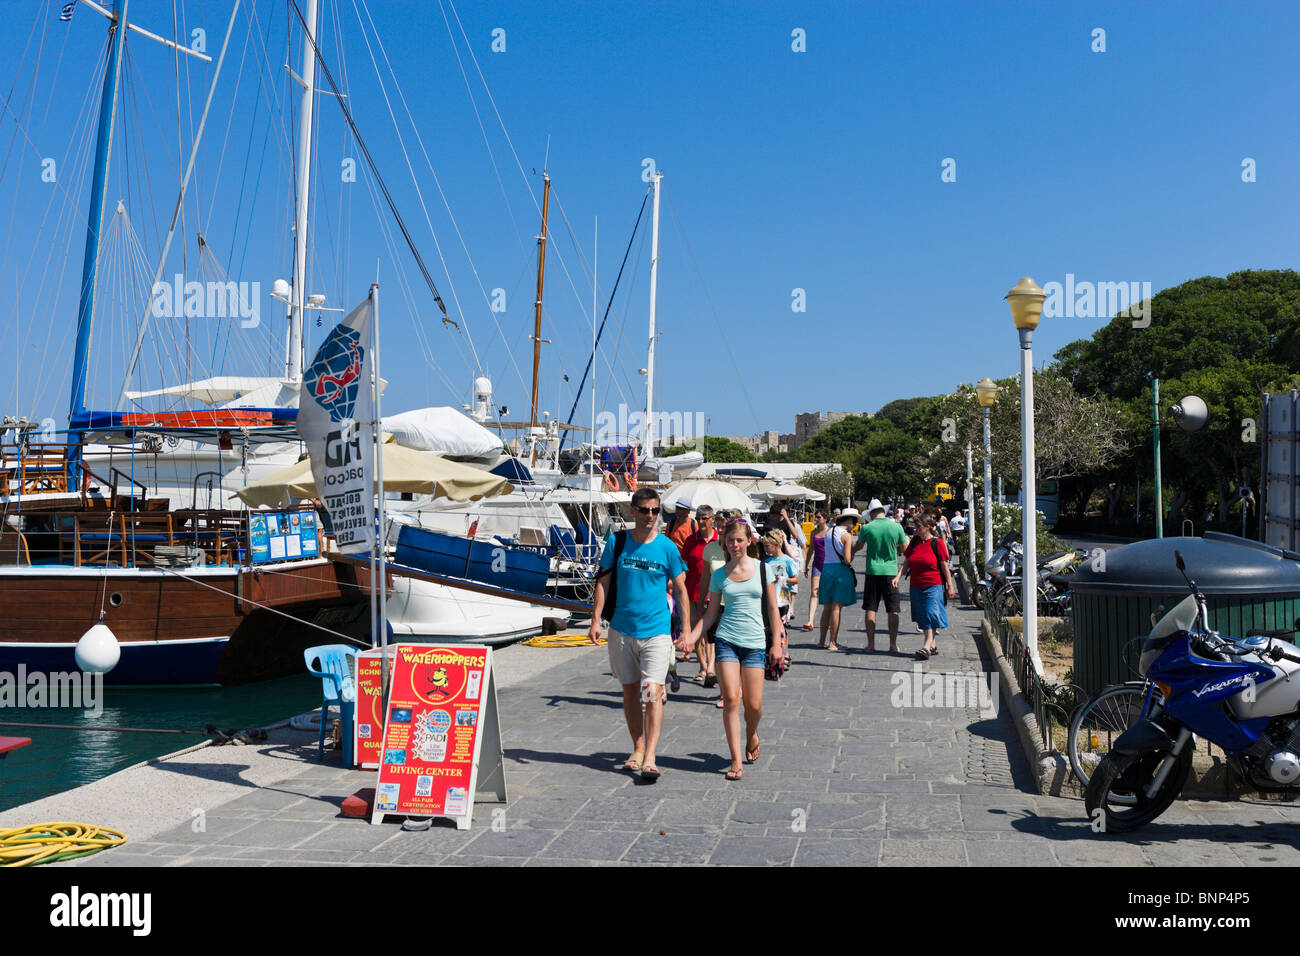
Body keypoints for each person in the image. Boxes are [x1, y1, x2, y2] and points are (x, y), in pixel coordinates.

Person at [589, 487, 692, 781]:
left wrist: (685, 630)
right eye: (644, 510)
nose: (650, 516)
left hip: (656, 632)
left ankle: (650, 756)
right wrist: (595, 620)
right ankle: (637, 746)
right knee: (631, 690)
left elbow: (682, 591)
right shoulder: (617, 542)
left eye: (655, 511)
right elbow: (603, 583)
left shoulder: (667, 547)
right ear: (633, 511)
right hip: (621, 630)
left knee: (652, 692)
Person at [679, 519, 785, 781]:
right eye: (730, 540)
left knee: (755, 705)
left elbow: (773, 609)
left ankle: (752, 733)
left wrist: (776, 643)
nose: (735, 545)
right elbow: (711, 613)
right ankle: (735, 760)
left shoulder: (763, 570)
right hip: (726, 640)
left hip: (755, 643)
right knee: (732, 701)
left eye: (739, 540)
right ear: (724, 542)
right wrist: (691, 637)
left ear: (749, 541)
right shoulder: (719, 575)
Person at [894, 514, 956, 660]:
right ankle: (933, 645)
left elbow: (944, 566)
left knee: (930, 613)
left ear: (927, 527)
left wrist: (950, 586)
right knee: (922, 615)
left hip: (933, 584)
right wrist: (897, 577)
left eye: (918, 526)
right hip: (915, 585)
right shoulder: (915, 542)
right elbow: (907, 562)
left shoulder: (937, 543)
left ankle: (926, 647)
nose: (916, 529)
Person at [852, 498, 909, 653]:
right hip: (891, 572)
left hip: (872, 571)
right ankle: (892, 644)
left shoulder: (867, 528)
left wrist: (850, 553)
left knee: (871, 608)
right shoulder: (896, 527)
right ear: (883, 511)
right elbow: (906, 549)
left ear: (871, 513)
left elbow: (858, 546)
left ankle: (871, 644)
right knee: (893, 609)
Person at [680, 505, 718, 684]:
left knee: (711, 633)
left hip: (716, 594)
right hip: (692, 592)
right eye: (699, 518)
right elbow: (684, 566)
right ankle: (703, 667)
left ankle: (712, 666)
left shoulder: (720, 539)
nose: (701, 522)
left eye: (704, 518)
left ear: (712, 519)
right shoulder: (690, 541)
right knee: (698, 632)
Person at [817, 509, 859, 651]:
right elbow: (847, 560)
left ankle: (821, 641)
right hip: (840, 571)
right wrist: (854, 549)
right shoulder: (846, 536)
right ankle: (832, 642)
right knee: (836, 607)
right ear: (850, 521)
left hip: (826, 569)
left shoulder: (828, 531)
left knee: (826, 608)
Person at [762, 530, 799, 624]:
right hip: (769, 597)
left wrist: (783, 579)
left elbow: (795, 580)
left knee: (781, 624)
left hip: (783, 597)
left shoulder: (787, 561)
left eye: (767, 546)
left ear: (777, 544)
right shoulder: (766, 561)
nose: (765, 548)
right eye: (764, 546)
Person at [801, 510, 828, 631]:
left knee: (828, 593)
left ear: (825, 518)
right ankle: (810, 620)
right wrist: (806, 565)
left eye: (818, 517)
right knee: (814, 592)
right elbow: (811, 549)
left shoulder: (830, 532)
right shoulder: (814, 532)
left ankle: (829, 619)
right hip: (817, 564)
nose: (816, 519)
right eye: (816, 517)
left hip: (829, 565)